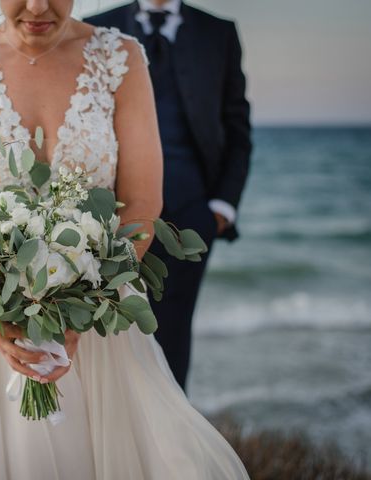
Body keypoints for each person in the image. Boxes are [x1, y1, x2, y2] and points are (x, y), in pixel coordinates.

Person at [0, 1, 249, 478]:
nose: (37, 7)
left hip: (98, 320)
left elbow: (139, 204)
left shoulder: (122, 58)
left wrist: (87, 306)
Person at [84, 0, 252, 391]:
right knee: (106, 332)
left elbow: (237, 125)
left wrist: (221, 208)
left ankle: (168, 442)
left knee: (174, 335)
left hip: (192, 215)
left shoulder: (219, 33)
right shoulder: (96, 29)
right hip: (110, 217)